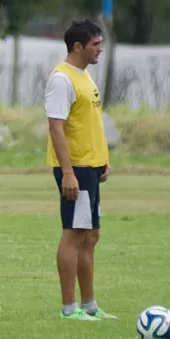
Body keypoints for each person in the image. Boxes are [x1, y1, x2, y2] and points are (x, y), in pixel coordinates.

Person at [44, 19, 115, 321]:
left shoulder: (84, 76)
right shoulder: (62, 79)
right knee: (74, 234)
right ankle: (68, 308)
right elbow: (56, 128)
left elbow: (88, 124)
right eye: (96, 44)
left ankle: (89, 306)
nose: (101, 49)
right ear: (78, 46)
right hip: (76, 169)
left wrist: (103, 159)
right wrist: (69, 172)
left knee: (90, 235)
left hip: (91, 166)